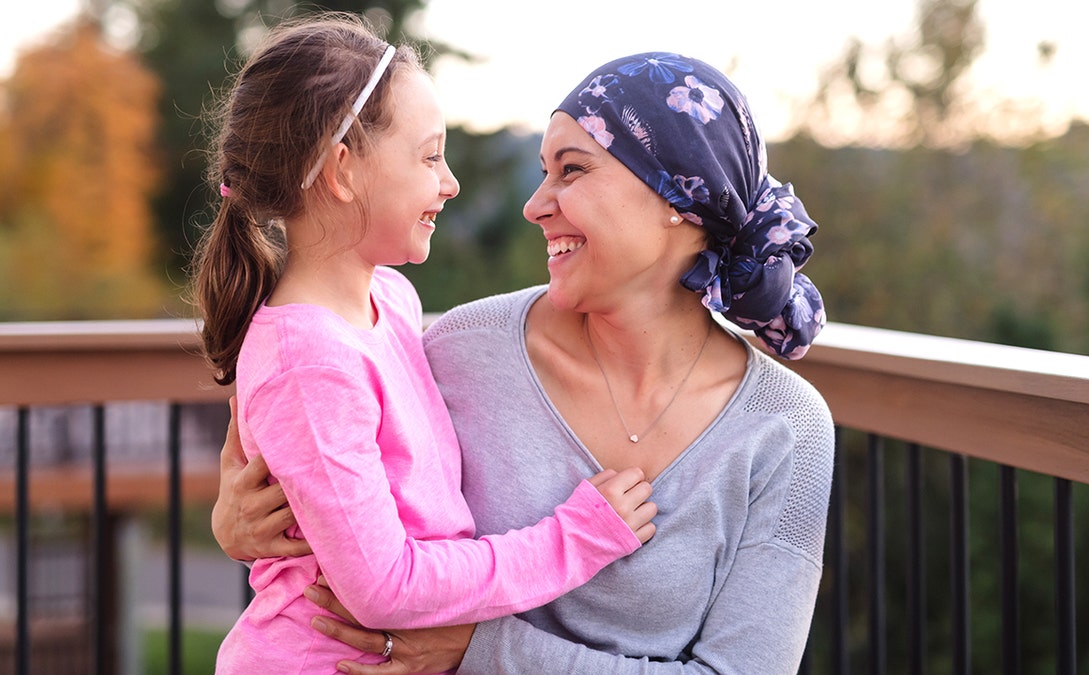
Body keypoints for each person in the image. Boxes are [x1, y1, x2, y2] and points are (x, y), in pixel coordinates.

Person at [213, 50, 835, 673]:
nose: (533, 204)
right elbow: (339, 488)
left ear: (677, 196)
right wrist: (237, 526)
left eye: (572, 169)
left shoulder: (786, 429)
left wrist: (482, 648)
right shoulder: (460, 348)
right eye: (543, 170)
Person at [191, 16, 657, 674]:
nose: (450, 182)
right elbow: (384, 584)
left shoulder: (391, 301)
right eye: (429, 155)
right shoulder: (308, 360)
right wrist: (571, 539)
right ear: (342, 168)